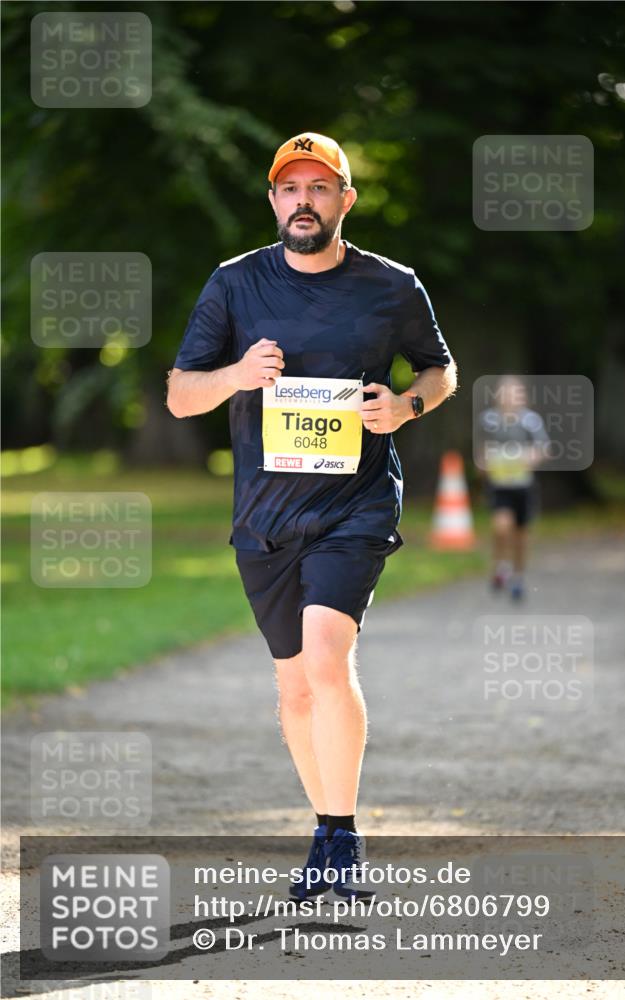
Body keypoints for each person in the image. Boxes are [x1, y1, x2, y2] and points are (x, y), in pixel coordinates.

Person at [167, 132, 457, 900]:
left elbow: (439, 366)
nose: (303, 200)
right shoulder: (233, 285)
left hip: (354, 503)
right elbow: (179, 393)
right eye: (290, 188)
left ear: (344, 201)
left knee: (327, 660)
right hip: (264, 514)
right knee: (293, 687)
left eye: (319, 188)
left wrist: (406, 404)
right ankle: (326, 828)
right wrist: (234, 373)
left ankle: (342, 833)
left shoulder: (391, 286)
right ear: (272, 201)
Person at [476, 375, 550, 600]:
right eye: (505, 393)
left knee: (521, 536)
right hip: (500, 486)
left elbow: (544, 450)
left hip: (523, 486)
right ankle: (501, 567)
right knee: (501, 526)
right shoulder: (488, 421)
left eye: (514, 394)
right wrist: (485, 463)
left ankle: (517, 577)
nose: (509, 398)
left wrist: (530, 458)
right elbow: (480, 454)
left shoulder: (531, 421)